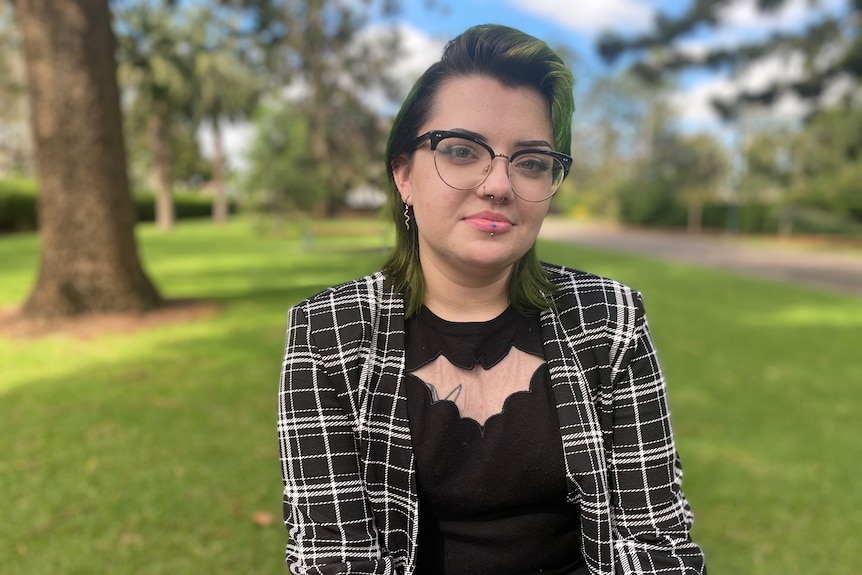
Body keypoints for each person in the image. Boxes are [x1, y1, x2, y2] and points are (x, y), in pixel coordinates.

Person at [278, 23, 707, 575]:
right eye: (461, 150)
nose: (499, 184)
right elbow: (333, 557)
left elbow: (656, 540)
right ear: (403, 174)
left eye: (530, 162)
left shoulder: (609, 319)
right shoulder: (327, 333)